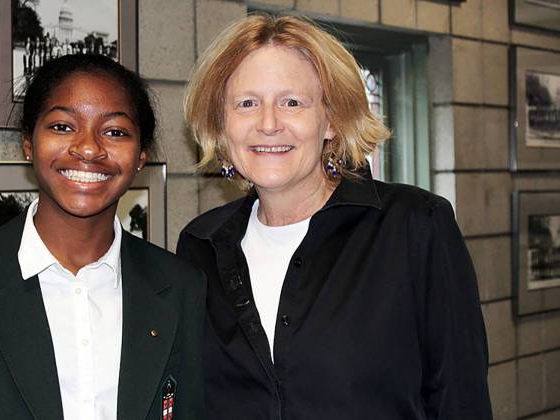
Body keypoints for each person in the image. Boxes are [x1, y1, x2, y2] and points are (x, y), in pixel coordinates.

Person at [177, 14, 492, 419]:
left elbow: (460, 401)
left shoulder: (415, 227)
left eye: (292, 102)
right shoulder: (200, 246)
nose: (268, 124)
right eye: (247, 103)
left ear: (331, 120)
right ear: (222, 124)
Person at [0, 54, 206, 420]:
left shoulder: (181, 287)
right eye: (63, 126)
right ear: (28, 143)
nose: (88, 148)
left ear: (140, 157)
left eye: (115, 131)